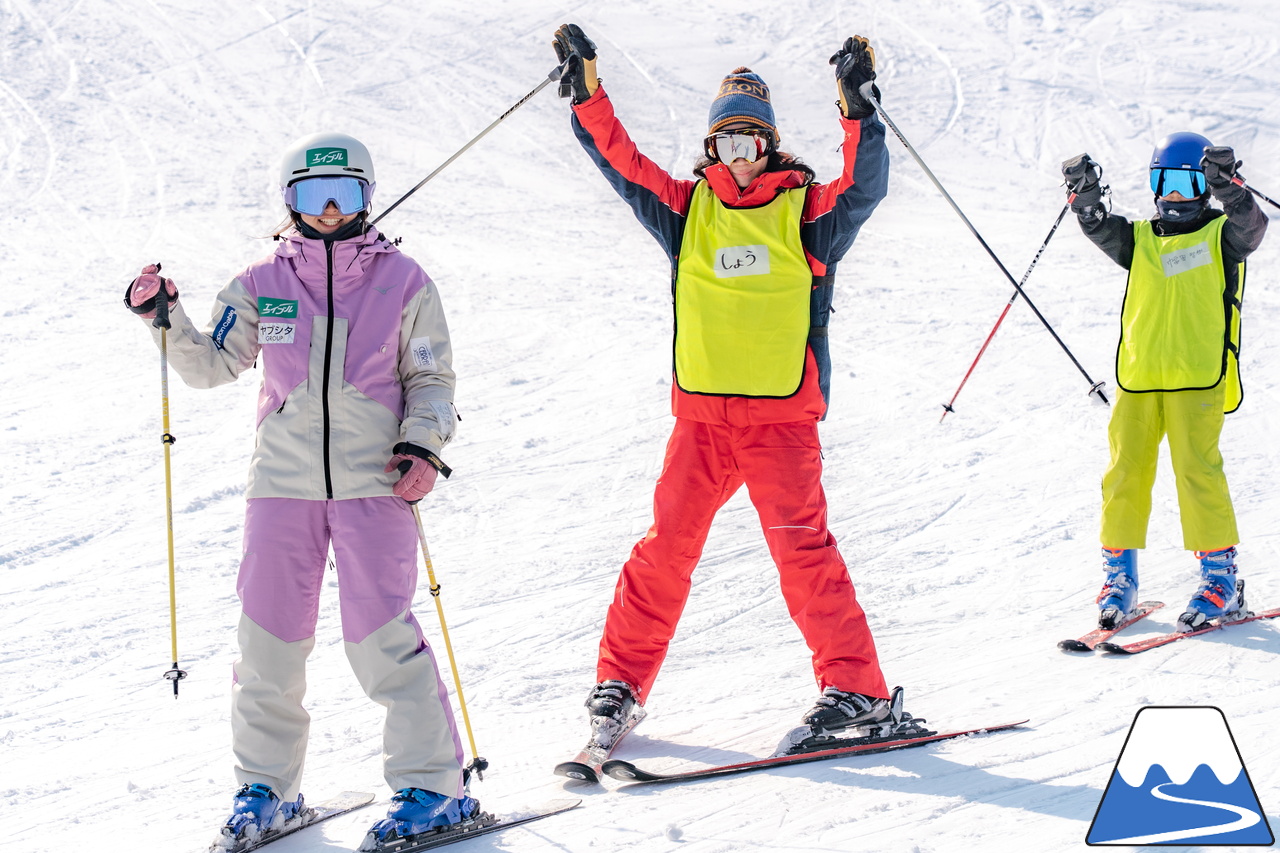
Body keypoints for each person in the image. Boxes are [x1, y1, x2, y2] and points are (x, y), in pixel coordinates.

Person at [124, 132, 480, 851]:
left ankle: (434, 787)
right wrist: (165, 319)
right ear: (287, 202)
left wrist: (423, 444)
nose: (325, 209)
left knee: (381, 637)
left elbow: (432, 379)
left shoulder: (403, 281)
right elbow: (213, 365)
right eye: (311, 196)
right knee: (267, 643)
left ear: (366, 198)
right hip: (281, 486)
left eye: (343, 194)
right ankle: (266, 788)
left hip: (374, 483)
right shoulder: (262, 280)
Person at [550, 24, 896, 746]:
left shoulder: (806, 215)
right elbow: (623, 164)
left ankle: (856, 690)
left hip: (780, 424)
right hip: (702, 424)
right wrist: (587, 98)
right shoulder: (686, 211)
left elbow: (864, 188)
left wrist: (857, 112)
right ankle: (620, 683)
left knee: (804, 553)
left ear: (768, 146)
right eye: (727, 143)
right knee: (663, 551)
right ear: (711, 149)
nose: (740, 156)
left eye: (752, 142)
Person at [1062, 133, 1267, 633]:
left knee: (1198, 473)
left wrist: (1232, 189)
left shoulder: (1222, 234)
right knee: (1123, 475)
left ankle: (1219, 575)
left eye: (1185, 182)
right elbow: (1099, 228)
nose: (1173, 195)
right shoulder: (1139, 239)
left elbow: (1253, 228)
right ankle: (1120, 577)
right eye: (1163, 182)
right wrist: (1086, 199)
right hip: (1140, 377)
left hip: (1197, 379)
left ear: (1202, 183)